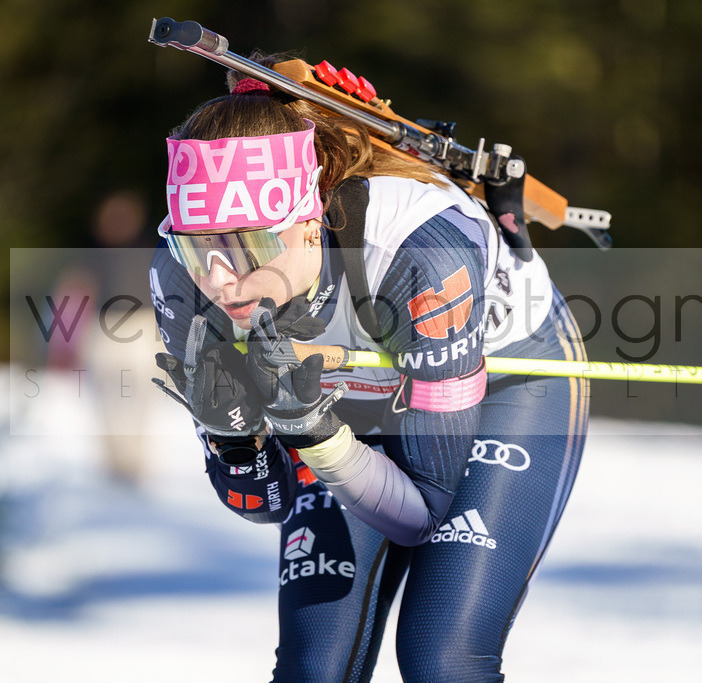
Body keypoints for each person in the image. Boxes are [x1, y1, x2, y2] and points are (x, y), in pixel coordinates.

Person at [149, 60, 589, 682]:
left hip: (508, 379)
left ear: (307, 222)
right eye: (198, 244)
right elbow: (264, 502)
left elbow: (421, 512)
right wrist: (234, 444)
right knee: (315, 669)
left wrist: (316, 437)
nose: (219, 277)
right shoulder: (181, 284)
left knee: (442, 657)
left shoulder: (419, 249)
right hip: (351, 388)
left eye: (245, 243)